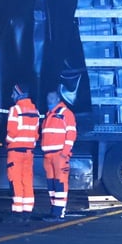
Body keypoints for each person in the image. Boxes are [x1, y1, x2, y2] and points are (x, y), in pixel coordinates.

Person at [4, 83, 41, 223]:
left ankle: (17, 213)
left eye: (13, 93)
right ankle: (27, 212)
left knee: (15, 181)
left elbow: (12, 132)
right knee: (27, 181)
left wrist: (7, 142)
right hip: (29, 152)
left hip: (15, 151)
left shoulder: (15, 110)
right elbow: (36, 135)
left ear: (18, 94)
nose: (11, 96)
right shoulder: (35, 110)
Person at [40, 87, 76, 220]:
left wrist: (64, 153)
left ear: (57, 99)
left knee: (60, 183)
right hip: (48, 155)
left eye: (51, 98)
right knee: (52, 185)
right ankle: (54, 209)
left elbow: (71, 134)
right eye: (48, 98)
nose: (48, 100)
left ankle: (59, 212)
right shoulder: (49, 114)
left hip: (59, 155)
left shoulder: (66, 113)